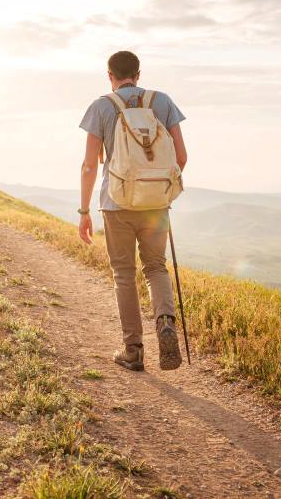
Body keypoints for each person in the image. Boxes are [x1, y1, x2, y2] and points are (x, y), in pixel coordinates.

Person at [77, 51, 188, 371]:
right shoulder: (162, 101)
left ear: (109, 76)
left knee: (124, 275)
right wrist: (162, 189)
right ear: (138, 75)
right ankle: (165, 322)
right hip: (156, 204)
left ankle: (133, 350)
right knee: (156, 268)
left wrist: (84, 211)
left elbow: (88, 165)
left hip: (117, 204)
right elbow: (181, 156)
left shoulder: (102, 106)